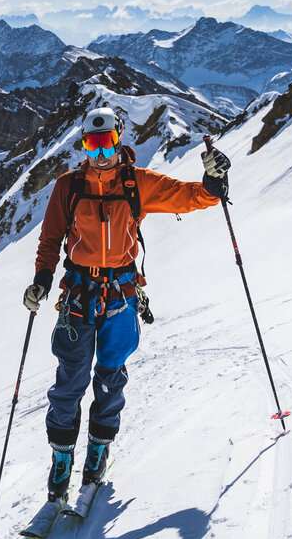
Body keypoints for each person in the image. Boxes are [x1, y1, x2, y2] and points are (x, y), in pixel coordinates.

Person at [22, 106, 231, 500]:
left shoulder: (138, 183)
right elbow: (49, 240)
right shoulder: (69, 186)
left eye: (107, 143)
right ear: (83, 145)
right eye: (92, 144)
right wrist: (41, 279)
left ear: (120, 138)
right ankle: (62, 459)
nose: (100, 154)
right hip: (80, 295)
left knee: (110, 375)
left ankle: (98, 450)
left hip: (119, 294)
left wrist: (213, 179)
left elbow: (193, 197)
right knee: (70, 380)